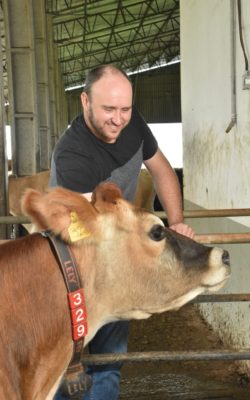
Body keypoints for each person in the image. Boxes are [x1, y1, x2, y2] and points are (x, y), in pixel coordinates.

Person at [51, 64, 194, 400]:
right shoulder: (73, 153)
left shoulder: (133, 125)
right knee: (64, 363)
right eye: (108, 109)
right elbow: (90, 233)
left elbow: (161, 171)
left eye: (125, 109)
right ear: (85, 101)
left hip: (114, 263)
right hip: (72, 266)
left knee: (109, 361)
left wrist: (176, 223)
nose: (118, 119)